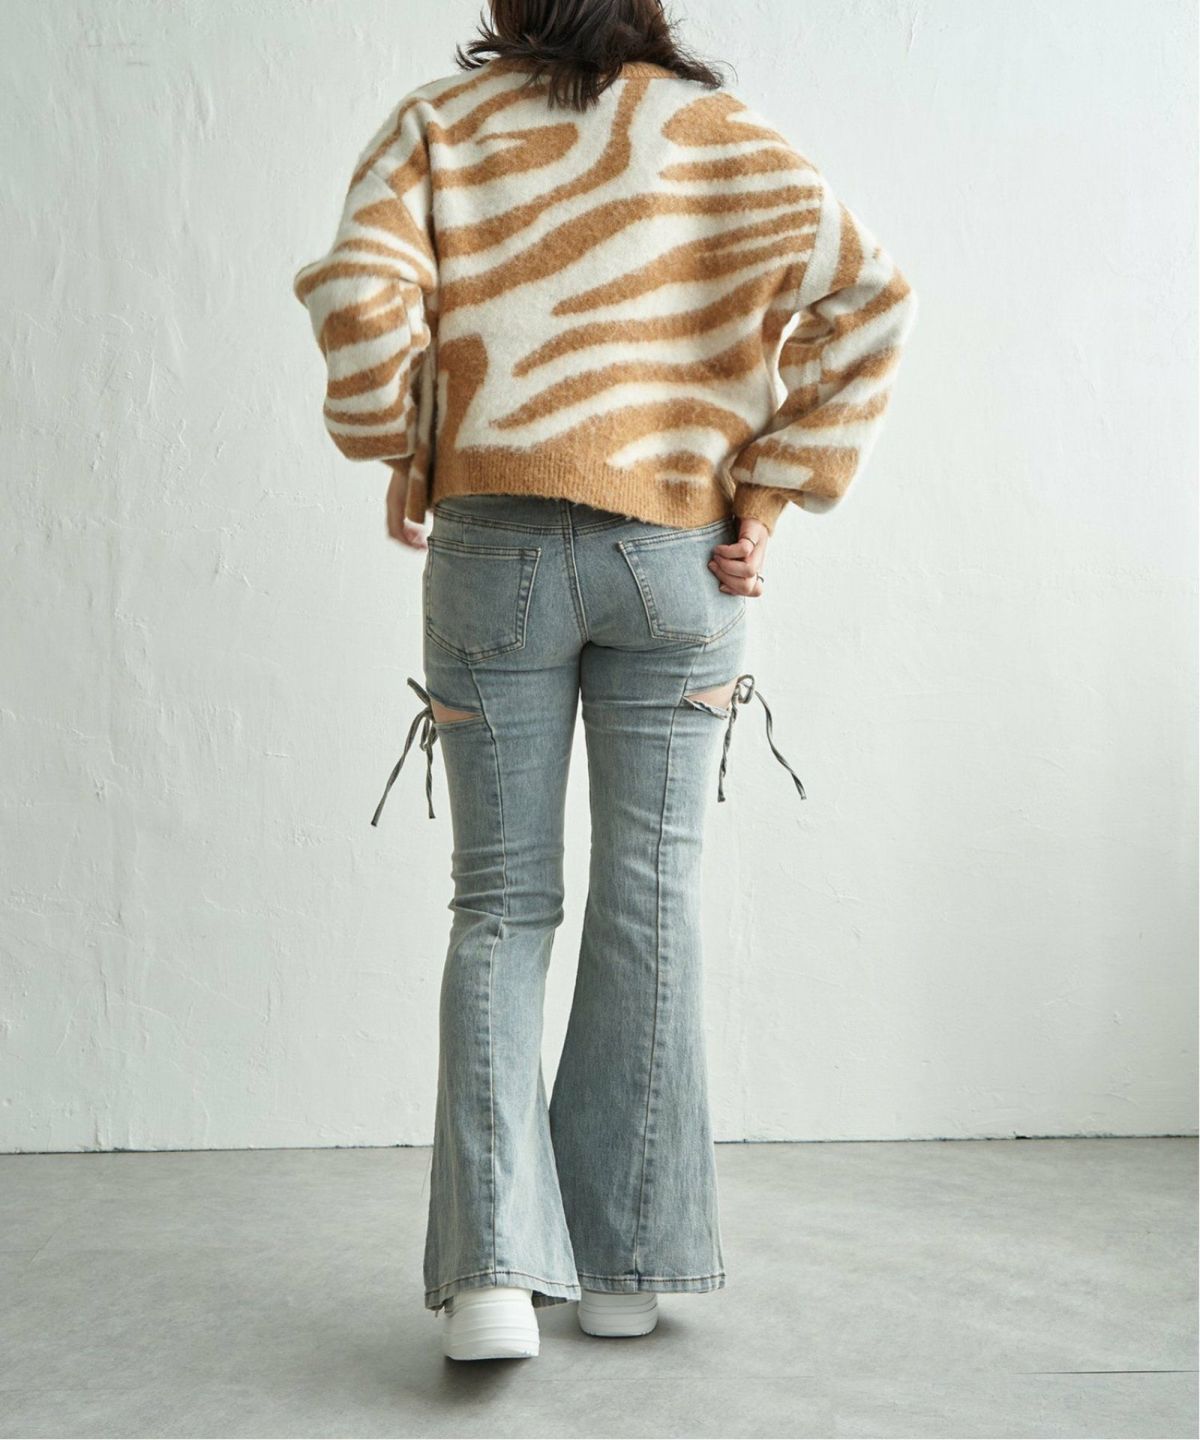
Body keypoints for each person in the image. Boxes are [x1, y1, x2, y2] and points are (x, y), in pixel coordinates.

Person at [292, 0, 917, 1362]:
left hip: (493, 549)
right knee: (652, 898)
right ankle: (626, 1267)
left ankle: (491, 1283)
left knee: (501, 905)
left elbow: (358, 297)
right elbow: (870, 296)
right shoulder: (721, 133)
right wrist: (771, 494)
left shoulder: (441, 125)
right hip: (680, 557)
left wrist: (408, 443)